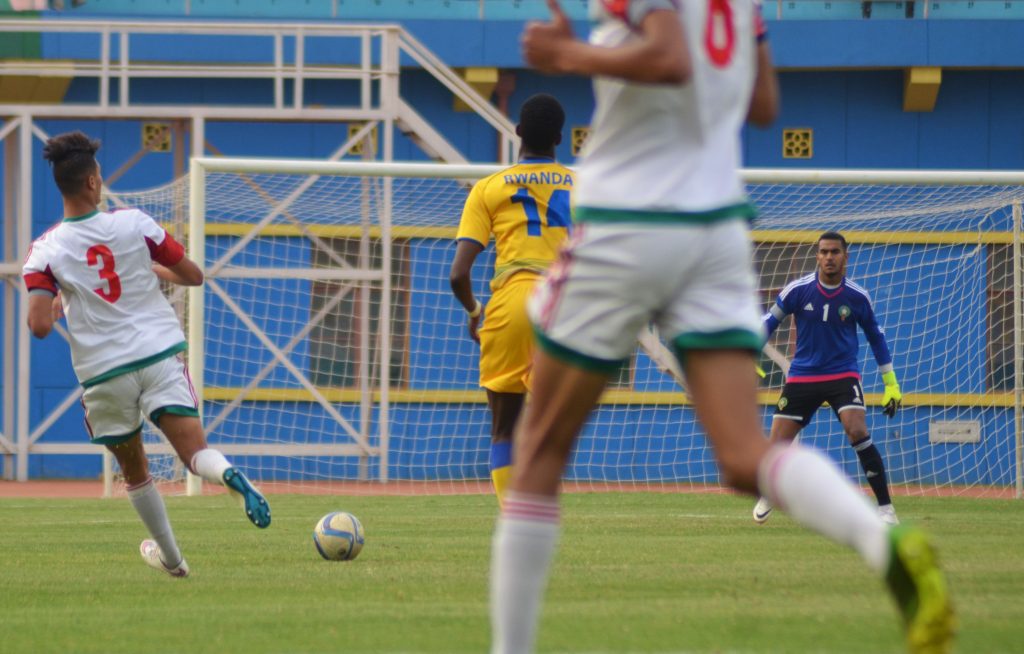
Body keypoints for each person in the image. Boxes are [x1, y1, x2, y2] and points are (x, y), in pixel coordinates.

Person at [491, 2, 954, 653]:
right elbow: (763, 102)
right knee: (744, 457)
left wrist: (570, 56)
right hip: (712, 229)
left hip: (630, 219)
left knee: (536, 454)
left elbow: (668, 56)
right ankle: (884, 544)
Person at [23, 131, 271, 579]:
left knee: (134, 471)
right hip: (158, 354)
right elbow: (193, 274)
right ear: (93, 183)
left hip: (105, 373)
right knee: (195, 454)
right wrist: (149, 268)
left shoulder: (46, 250)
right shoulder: (135, 223)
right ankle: (230, 474)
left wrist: (64, 298)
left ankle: (174, 562)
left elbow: (38, 326)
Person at [449, 93, 572, 506]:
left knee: (505, 428)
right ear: (560, 138)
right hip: (565, 307)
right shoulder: (588, 187)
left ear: (517, 133)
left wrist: (474, 311)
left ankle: (514, 518)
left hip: (511, 302)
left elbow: (459, 274)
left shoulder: (488, 189)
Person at [752, 231, 902, 526]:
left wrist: (891, 383)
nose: (829, 257)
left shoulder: (857, 297)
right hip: (803, 375)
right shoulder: (798, 290)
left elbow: (876, 338)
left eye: (835, 252)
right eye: (823, 252)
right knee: (776, 444)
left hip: (842, 374)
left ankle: (885, 509)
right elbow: (768, 323)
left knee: (857, 430)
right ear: (817, 256)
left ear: (846, 256)